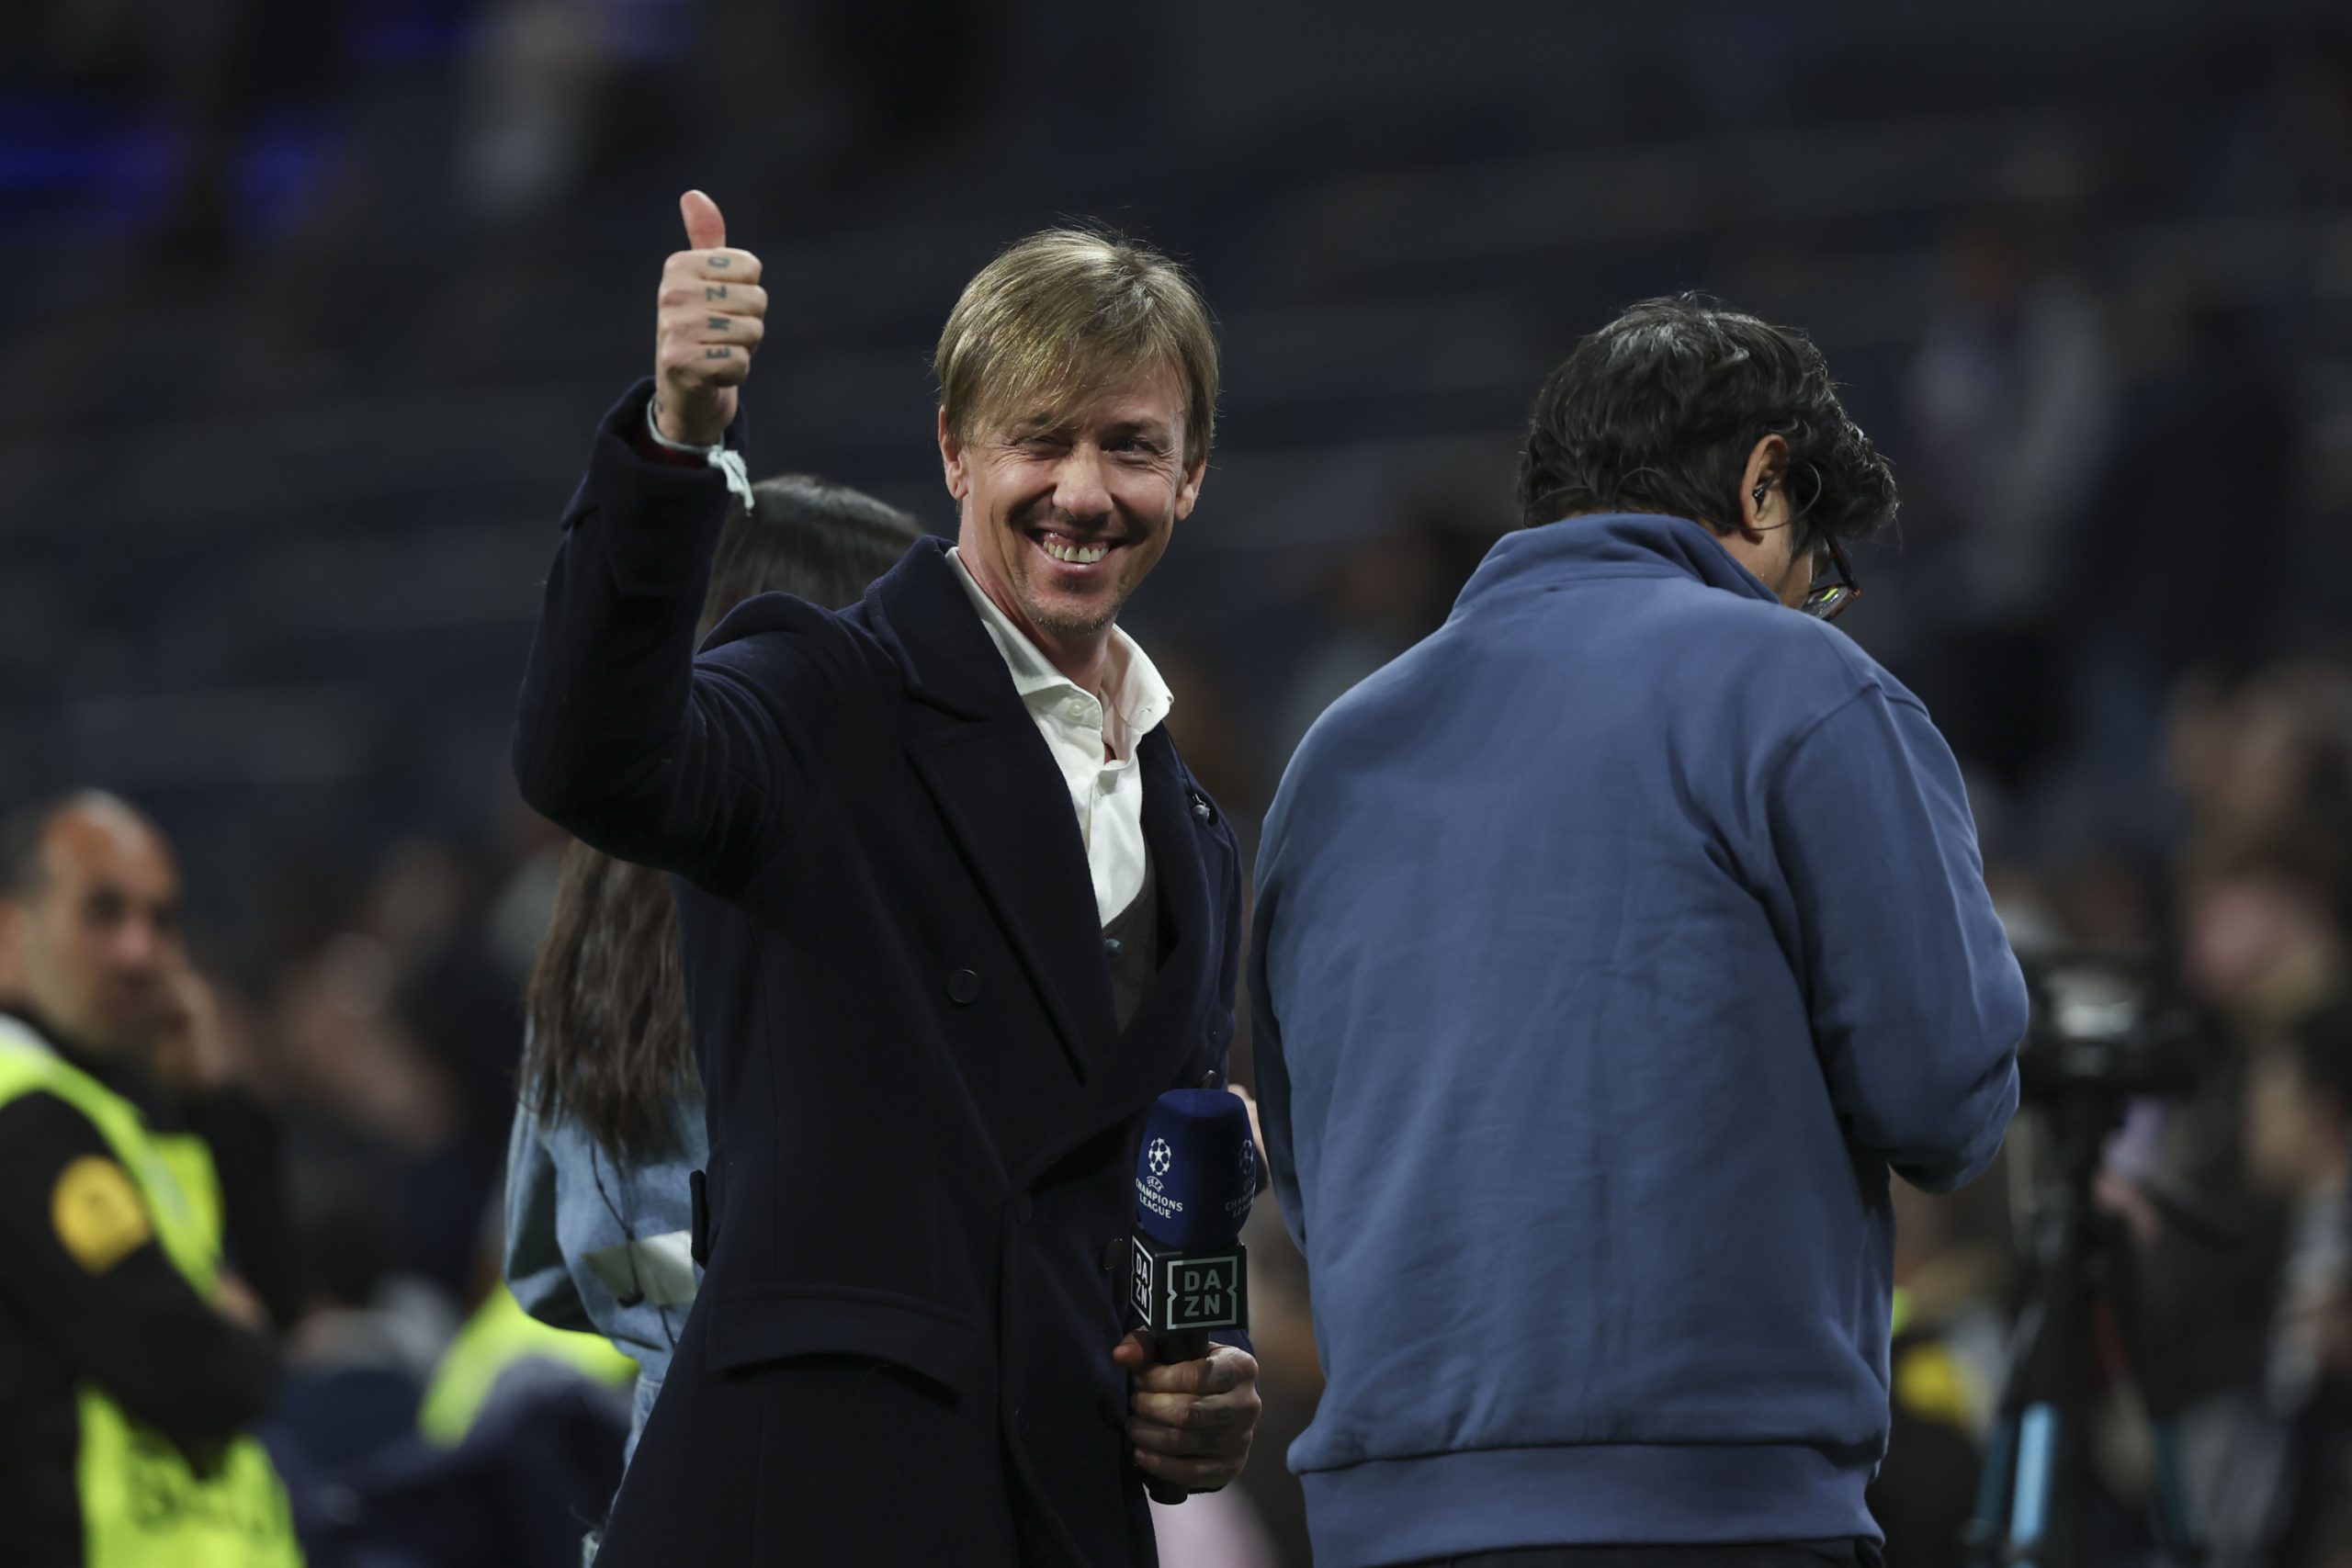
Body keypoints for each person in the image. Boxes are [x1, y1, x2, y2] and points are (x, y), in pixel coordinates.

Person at [511, 191, 1261, 1567]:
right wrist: (677, 436)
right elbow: (591, 761)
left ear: (1193, 471)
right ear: (955, 451)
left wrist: (1191, 1382)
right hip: (809, 1497)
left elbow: (1128, 1200)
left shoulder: (1192, 825)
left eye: (1130, 448)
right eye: (1041, 439)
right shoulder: (828, 689)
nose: (1083, 492)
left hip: (1051, 1509)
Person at [1250, 294, 2027, 1567]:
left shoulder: (1331, 751)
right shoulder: (1799, 682)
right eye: (1817, 574)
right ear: (1768, 479)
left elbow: (1314, 1180)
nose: (1806, 607)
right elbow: (1947, 1096)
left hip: (1385, 1527)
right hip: (1708, 1513)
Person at [503, 473, 923, 1481]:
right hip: (880, 1490)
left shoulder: (591, 937)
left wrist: (690, 1284)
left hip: (671, 1497)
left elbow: (553, 1269)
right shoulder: (885, 923)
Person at [0, 791, 303, 1566]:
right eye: (103, 913)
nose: (142, 952)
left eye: (161, 920)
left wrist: (217, 1099)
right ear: (10, 928)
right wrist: (230, 1334)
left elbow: (283, 1301)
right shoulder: (22, 1114)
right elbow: (198, 1369)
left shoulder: (115, 1105)